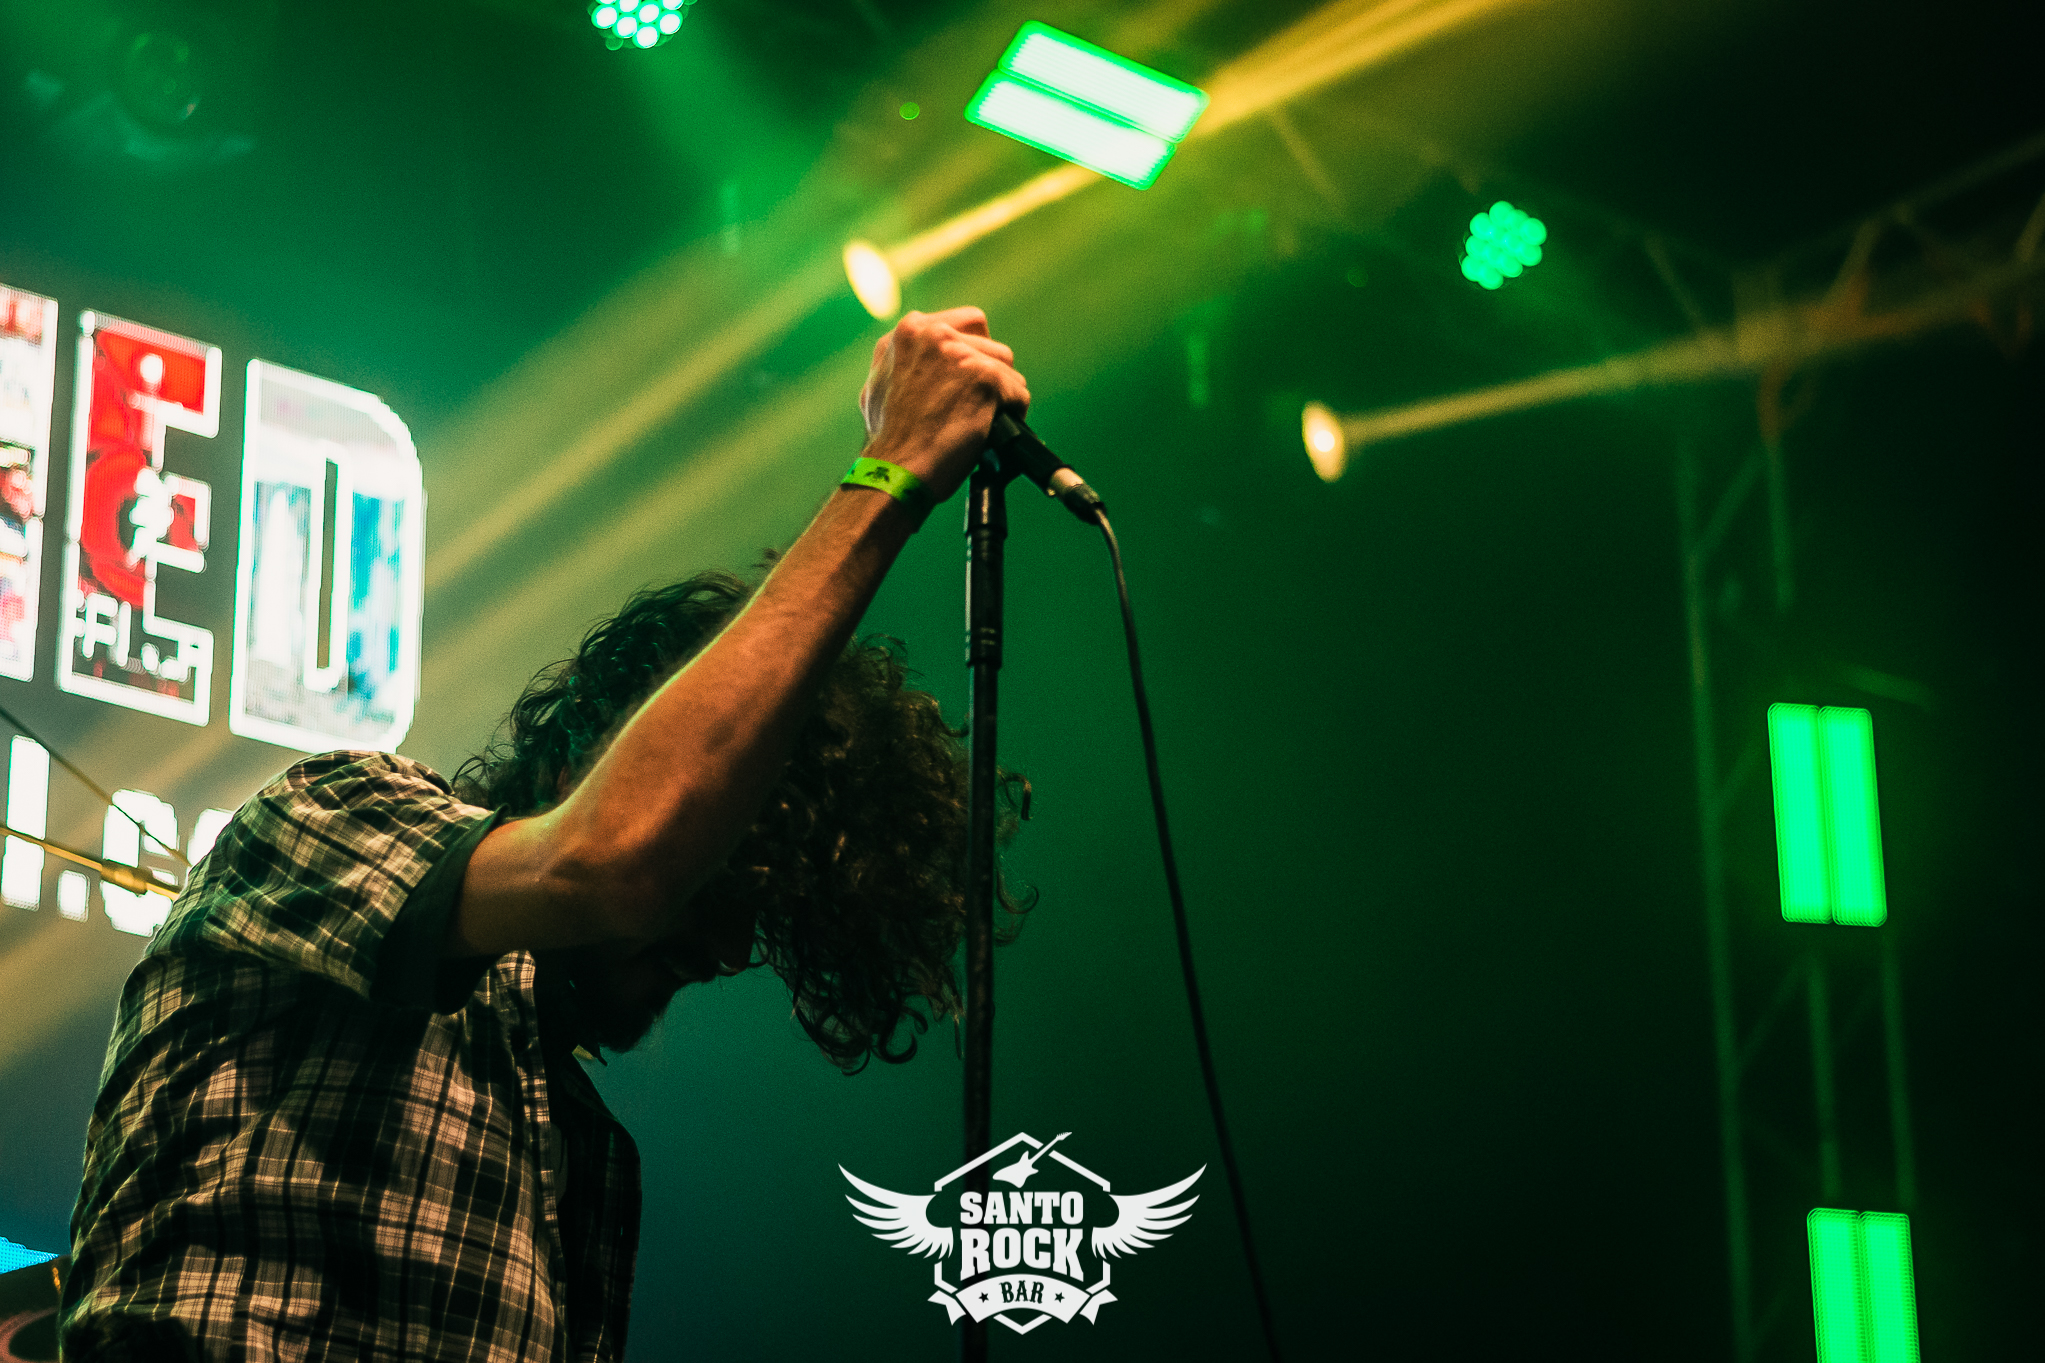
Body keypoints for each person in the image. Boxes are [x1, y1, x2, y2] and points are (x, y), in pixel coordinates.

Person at [60, 307, 1034, 1363]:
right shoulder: (330, 814)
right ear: (589, 760)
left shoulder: (582, 1153)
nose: (725, 948)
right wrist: (891, 472)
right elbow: (609, 859)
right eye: (715, 879)